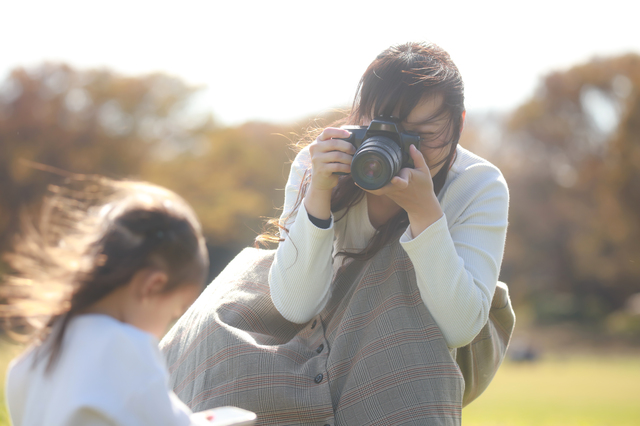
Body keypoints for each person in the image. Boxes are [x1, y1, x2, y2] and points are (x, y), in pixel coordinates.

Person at [161, 41, 512, 426]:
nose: (396, 147)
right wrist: (319, 195)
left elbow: (460, 327)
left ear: (458, 124)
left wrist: (425, 211)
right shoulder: (323, 161)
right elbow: (296, 305)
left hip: (398, 344)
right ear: (359, 117)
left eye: (420, 135)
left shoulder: (478, 184)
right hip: (301, 333)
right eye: (384, 128)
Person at [2, 176, 216, 426]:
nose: (164, 328)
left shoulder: (36, 355)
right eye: (172, 313)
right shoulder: (126, 349)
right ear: (152, 286)